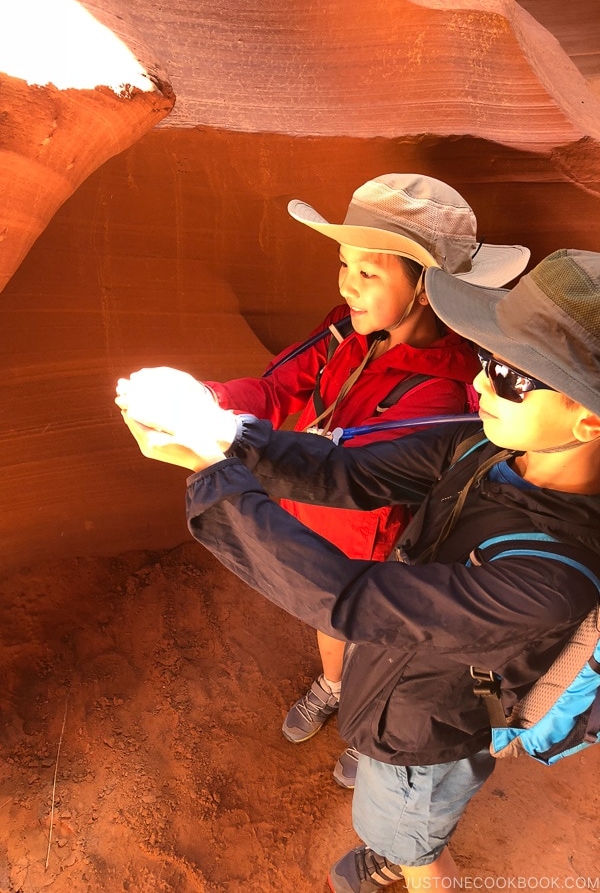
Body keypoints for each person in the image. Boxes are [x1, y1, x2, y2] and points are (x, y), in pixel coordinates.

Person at [116, 248, 600, 891]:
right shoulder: (490, 444)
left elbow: (349, 599)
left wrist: (213, 473)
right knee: (397, 812)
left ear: (589, 419)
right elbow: (352, 471)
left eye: (514, 377)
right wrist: (226, 433)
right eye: (488, 358)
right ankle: (394, 846)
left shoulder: (550, 579)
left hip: (430, 730)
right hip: (402, 681)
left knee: (414, 832)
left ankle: (406, 856)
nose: (481, 383)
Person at [197, 173, 529, 788]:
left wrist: (222, 440)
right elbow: (276, 387)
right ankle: (333, 686)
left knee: (371, 626)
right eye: (344, 263)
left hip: (382, 538)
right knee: (329, 620)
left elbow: (359, 470)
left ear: (427, 289)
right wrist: (207, 401)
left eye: (369, 273)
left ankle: (364, 722)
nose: (346, 284)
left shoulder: (449, 389)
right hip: (314, 507)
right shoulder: (343, 330)